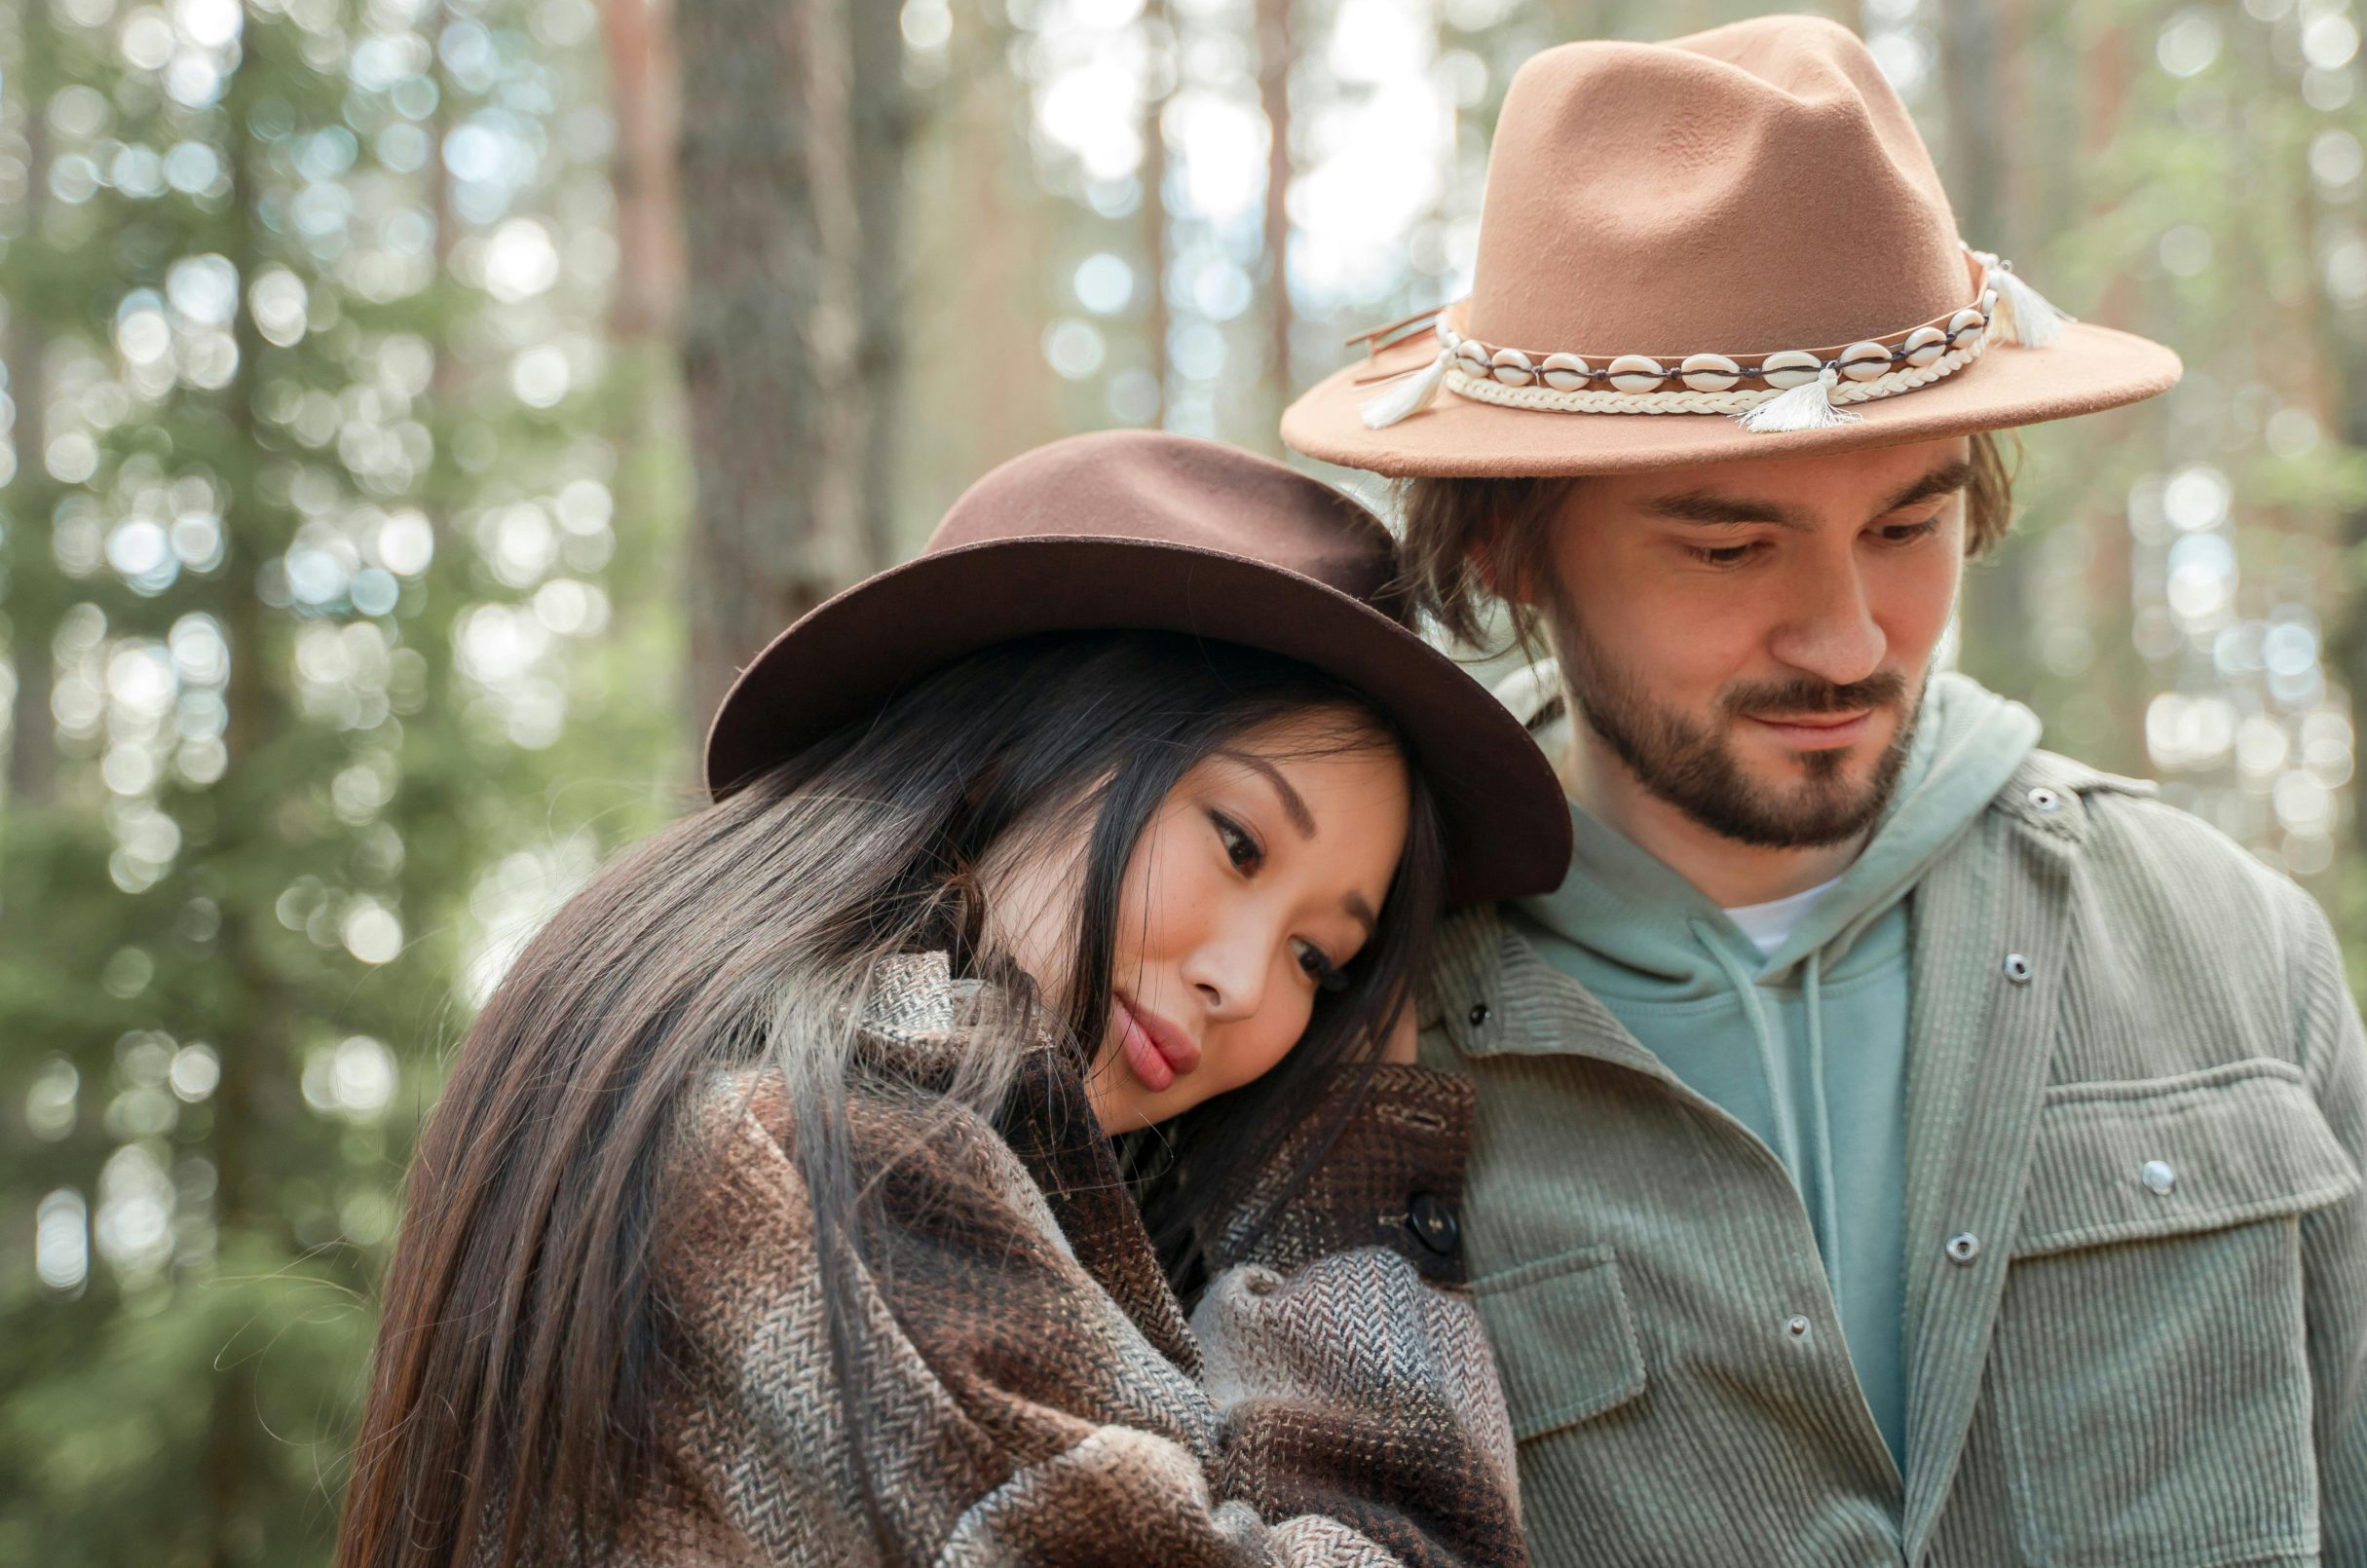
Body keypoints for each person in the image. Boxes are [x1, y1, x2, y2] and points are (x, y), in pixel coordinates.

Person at [1282, 17, 2367, 1567]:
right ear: (1510, 544)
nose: (1847, 636)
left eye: (1909, 526)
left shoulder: (2228, 945)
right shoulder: (1351, 1025)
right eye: (1729, 548)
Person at [337, 432, 1570, 1567]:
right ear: (1000, 755)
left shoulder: (781, 1112)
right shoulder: (817, 1159)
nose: (1241, 983)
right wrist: (1355, 1204)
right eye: (1237, 843)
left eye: (1321, 961)